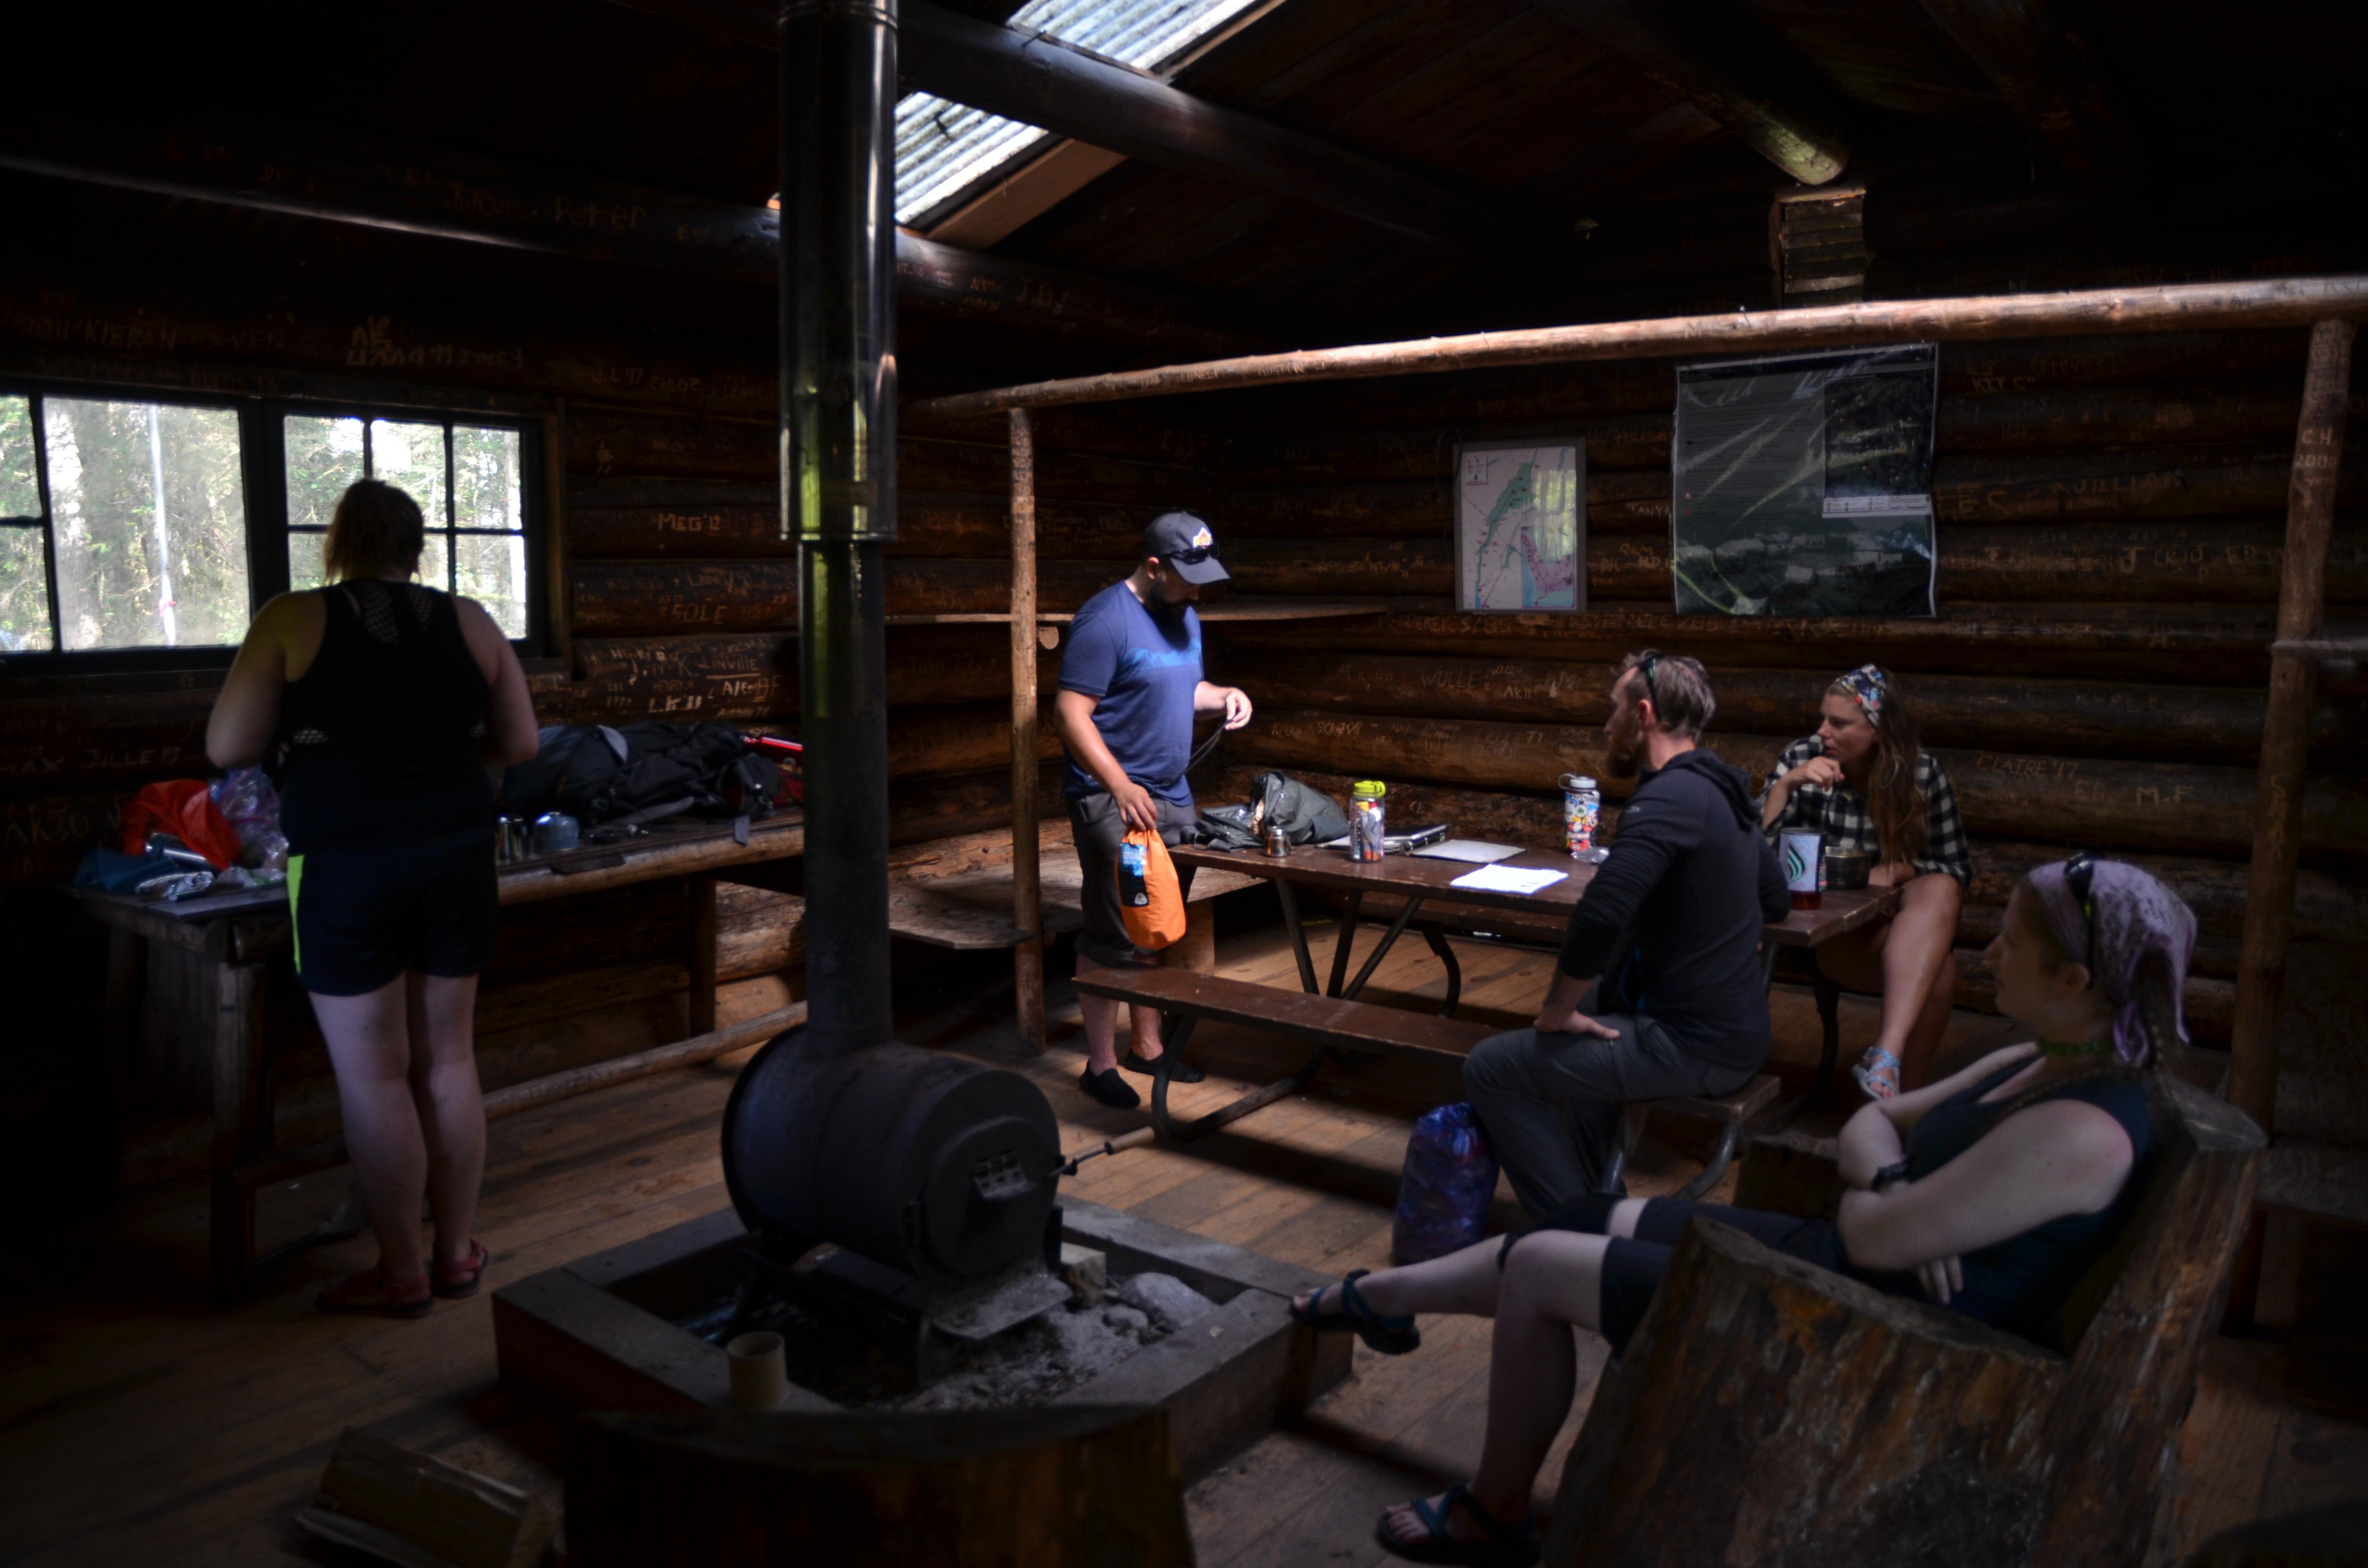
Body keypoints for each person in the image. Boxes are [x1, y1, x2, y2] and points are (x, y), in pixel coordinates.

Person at [1296, 854, 2190, 1565]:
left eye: (2011, 944)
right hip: (1847, 1261)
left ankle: (1492, 1514)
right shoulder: (2037, 1058)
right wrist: (1895, 1187)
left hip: (1873, 1327)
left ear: (2073, 977)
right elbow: (1871, 1120)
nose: (1986, 952)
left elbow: (1872, 1224)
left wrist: (1886, 1199)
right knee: (1579, 1215)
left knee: (1535, 1266)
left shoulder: (2085, 1128)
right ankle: (1373, 1293)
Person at [207, 480, 540, 1318]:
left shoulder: (294, 616)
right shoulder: (469, 619)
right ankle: (457, 1253)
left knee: (375, 1077)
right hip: (460, 854)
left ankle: (401, 1273)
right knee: (450, 1060)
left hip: (347, 864)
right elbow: (523, 741)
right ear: (415, 546)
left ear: (339, 544)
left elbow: (229, 744)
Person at [1462, 651, 1788, 1214]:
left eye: (1613, 712)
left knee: (1491, 1067)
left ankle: (1572, 1231)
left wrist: (1555, 1010)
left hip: (1693, 1044)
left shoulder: (1668, 798)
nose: (1605, 727)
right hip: (1733, 1028)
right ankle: (1598, 1201)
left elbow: (1601, 912)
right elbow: (1775, 897)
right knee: (1597, 1003)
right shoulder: (1720, 789)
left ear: (1643, 715)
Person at [1055, 511, 1253, 1109]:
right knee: (1112, 930)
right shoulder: (1104, 620)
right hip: (1115, 800)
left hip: (1171, 794)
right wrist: (1117, 786)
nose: (1197, 591)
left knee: (1156, 922)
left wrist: (1223, 696)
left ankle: (1147, 1048)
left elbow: (1178, 686)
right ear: (1152, 566)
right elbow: (1070, 714)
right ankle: (1100, 1064)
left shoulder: (1183, 615)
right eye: (1187, 578)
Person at [1761, 664, 1971, 1099]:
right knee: (1942, 974)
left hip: (1896, 931)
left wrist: (1900, 870)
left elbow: (1956, 869)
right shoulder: (1801, 759)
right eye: (1823, 718)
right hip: (1827, 935)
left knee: (1941, 889)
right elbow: (1755, 861)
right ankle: (1901, 1100)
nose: (1823, 732)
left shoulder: (1921, 774)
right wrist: (1784, 788)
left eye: (1838, 723)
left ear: (1878, 730)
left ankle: (1887, 1072)